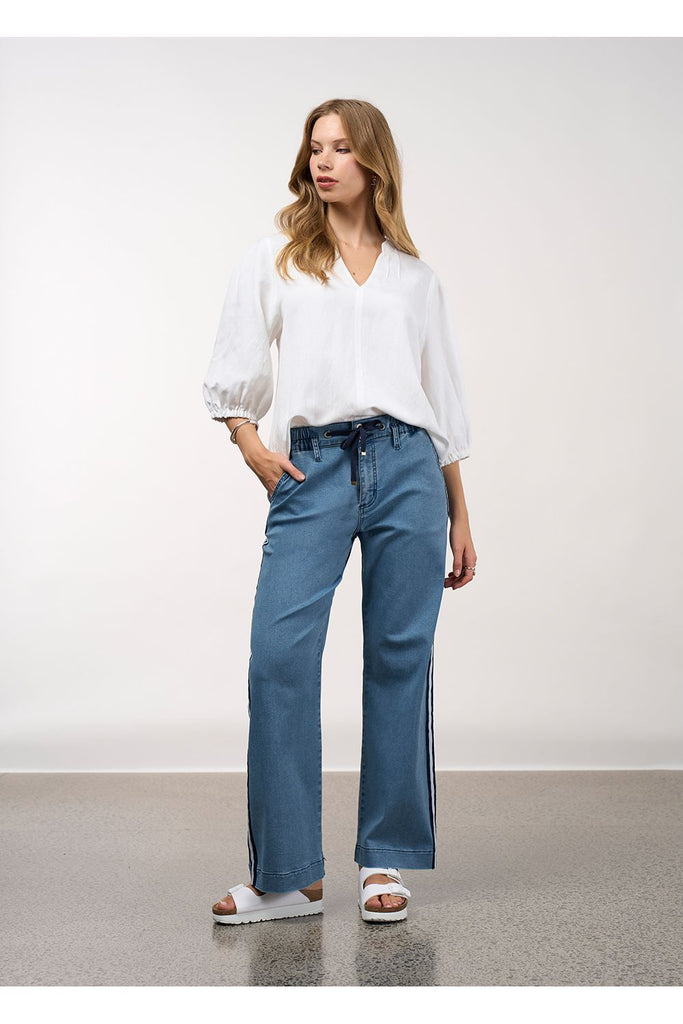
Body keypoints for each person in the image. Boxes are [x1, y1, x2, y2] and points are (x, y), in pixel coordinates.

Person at [203, 98, 477, 926]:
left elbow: (443, 402)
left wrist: (461, 515)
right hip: (312, 467)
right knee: (277, 659)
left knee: (400, 660)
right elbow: (234, 367)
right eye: (315, 149)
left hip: (407, 468)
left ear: (373, 163)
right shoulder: (277, 259)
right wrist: (249, 443)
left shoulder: (414, 279)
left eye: (342, 150)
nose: (324, 163)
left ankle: (384, 860)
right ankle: (287, 876)